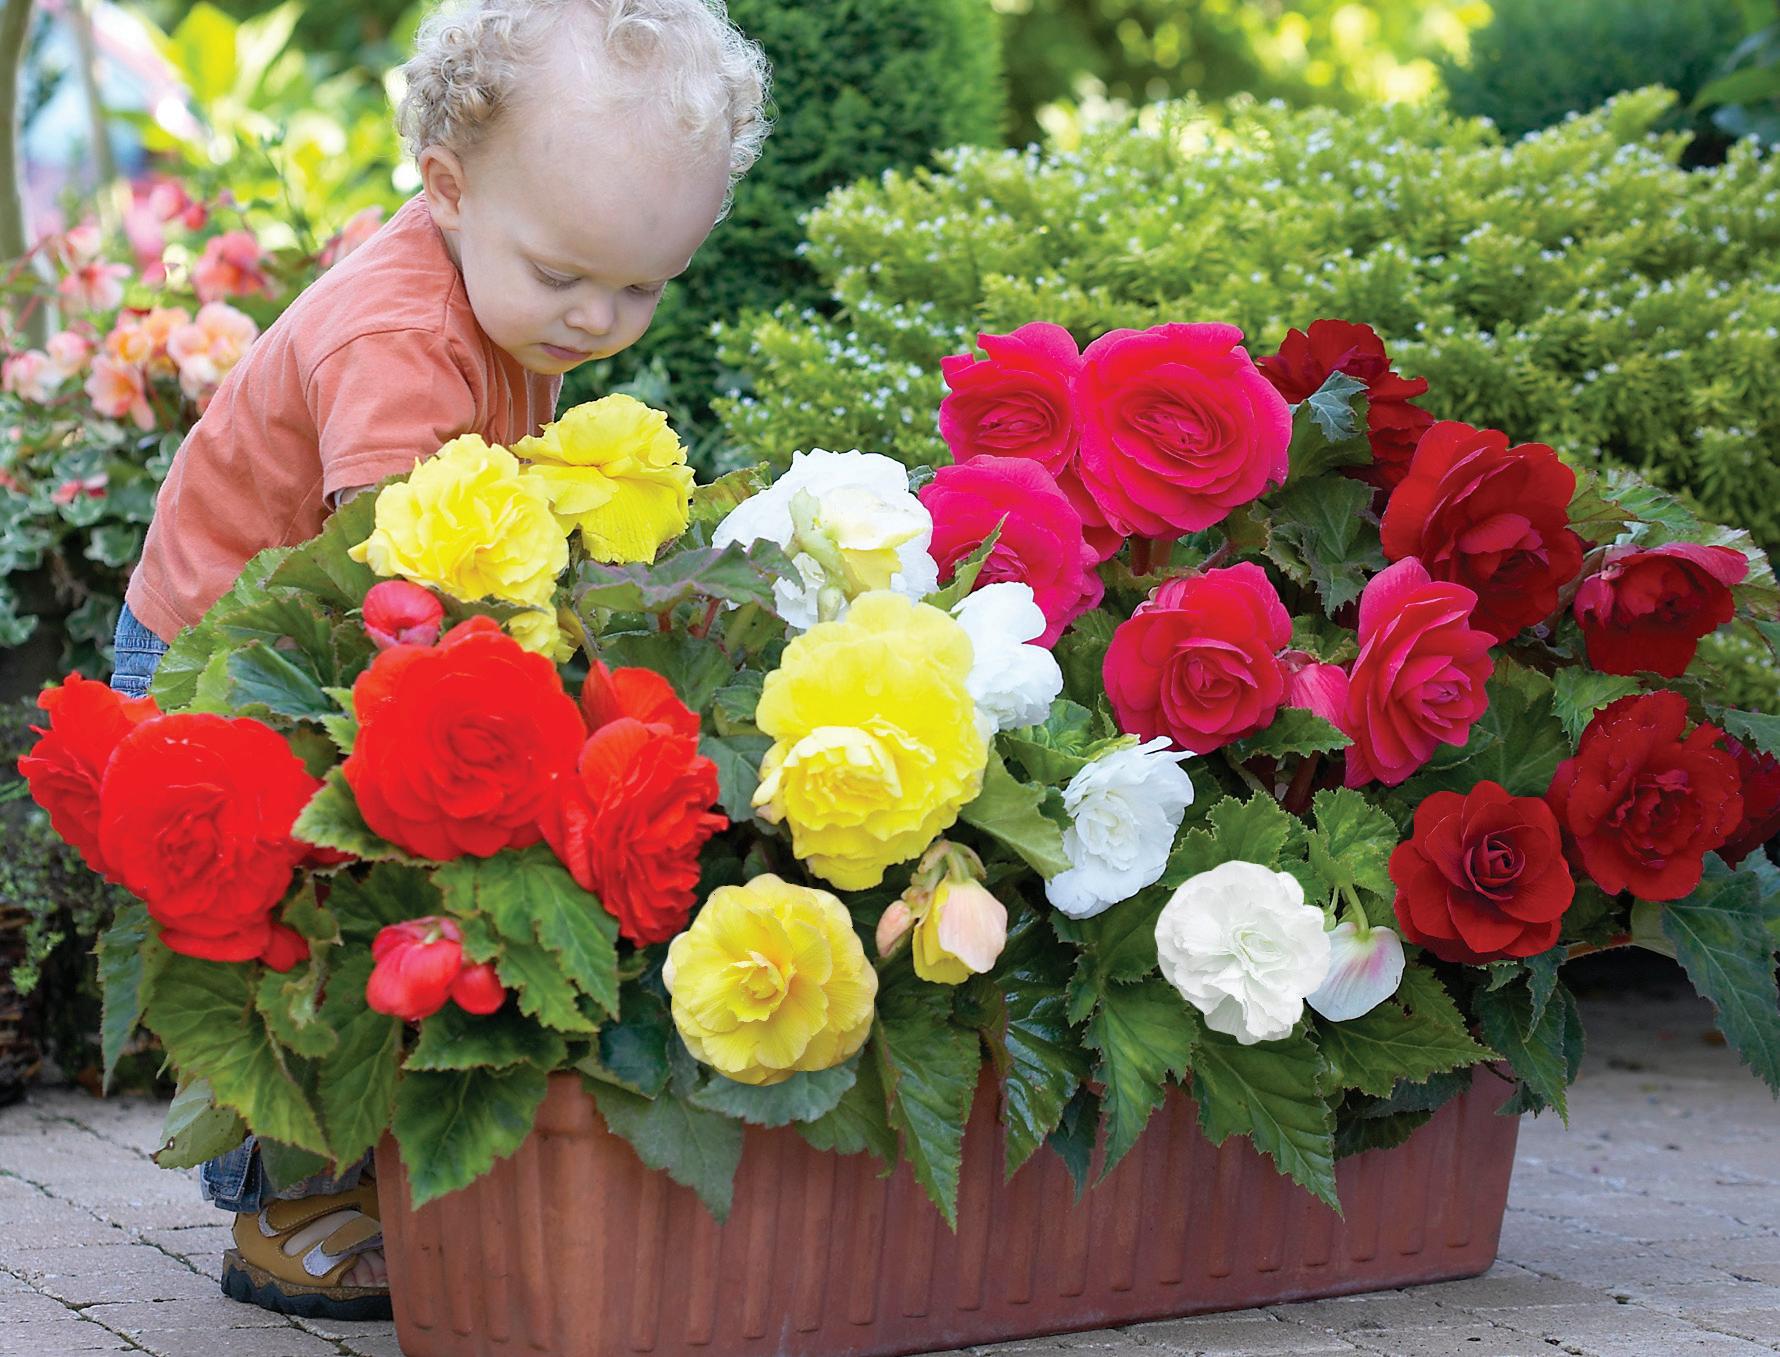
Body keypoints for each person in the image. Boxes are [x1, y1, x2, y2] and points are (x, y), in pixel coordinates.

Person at [109, 0, 770, 1320]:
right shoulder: (398, 345)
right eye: (567, 273)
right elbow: (397, 585)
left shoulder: (510, 286)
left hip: (321, 630)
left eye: (642, 286)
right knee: (291, 927)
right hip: (223, 665)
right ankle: (287, 1201)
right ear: (450, 187)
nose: (597, 318)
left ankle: (377, 1163)